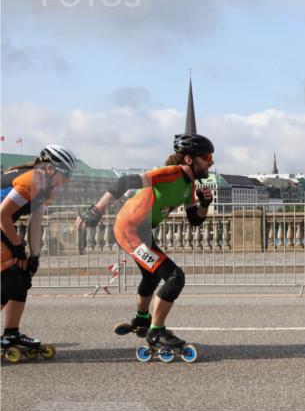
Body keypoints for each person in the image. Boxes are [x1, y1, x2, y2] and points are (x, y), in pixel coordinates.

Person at [77, 133, 214, 351]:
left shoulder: (190, 186)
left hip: (143, 232)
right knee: (174, 277)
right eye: (207, 156)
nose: (211, 161)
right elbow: (123, 181)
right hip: (129, 232)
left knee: (151, 276)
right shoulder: (171, 174)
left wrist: (205, 203)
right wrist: (97, 209)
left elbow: (194, 220)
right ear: (189, 159)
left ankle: (142, 319)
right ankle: (156, 331)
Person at [1, 145, 79, 354]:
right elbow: (2, 215)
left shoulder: (45, 186)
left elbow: (36, 222)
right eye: (67, 174)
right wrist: (17, 248)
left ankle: (11, 334)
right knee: (10, 279)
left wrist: (34, 255)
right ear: (51, 169)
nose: (68, 180)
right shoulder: (32, 179)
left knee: (22, 276)